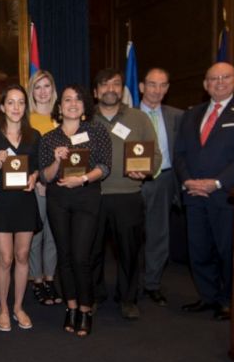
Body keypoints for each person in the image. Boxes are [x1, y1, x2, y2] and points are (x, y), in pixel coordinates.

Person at [174, 62, 234, 321]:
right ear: (205, 85)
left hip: (226, 195)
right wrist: (188, 180)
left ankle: (228, 299)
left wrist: (217, 182)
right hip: (193, 194)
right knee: (199, 250)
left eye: (225, 77)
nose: (219, 82)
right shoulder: (191, 114)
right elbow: (179, 153)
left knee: (227, 250)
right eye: (213, 79)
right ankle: (207, 296)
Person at [40, 85, 112, 337]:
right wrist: (57, 161)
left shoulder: (96, 131)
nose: (72, 104)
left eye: (77, 100)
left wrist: (81, 179)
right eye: (67, 100)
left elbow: (104, 167)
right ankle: (70, 307)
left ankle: (85, 309)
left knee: (82, 257)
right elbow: (45, 176)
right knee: (65, 255)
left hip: (86, 199)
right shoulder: (49, 138)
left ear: (84, 106)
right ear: (59, 107)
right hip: (58, 200)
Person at [91, 68, 162, 320]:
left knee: (130, 250)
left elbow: (155, 155)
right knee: (93, 250)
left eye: (116, 84)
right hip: (93, 196)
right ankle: (95, 295)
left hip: (129, 194)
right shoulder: (86, 119)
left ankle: (128, 298)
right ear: (96, 91)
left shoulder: (139, 118)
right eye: (104, 84)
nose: (110, 89)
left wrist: (146, 171)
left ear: (122, 89)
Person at [0, 84, 41, 332]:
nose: (16, 107)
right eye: (11, 102)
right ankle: (3, 308)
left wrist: (35, 177)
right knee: (5, 258)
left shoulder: (34, 136)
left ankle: (18, 306)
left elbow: (38, 167)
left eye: (20, 102)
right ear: (3, 107)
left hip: (25, 202)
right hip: (1, 204)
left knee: (22, 256)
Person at [138, 68, 184, 306]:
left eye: (162, 85)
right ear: (141, 87)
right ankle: (130, 284)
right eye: (152, 84)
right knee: (130, 236)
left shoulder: (179, 117)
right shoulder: (129, 116)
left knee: (158, 234)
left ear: (167, 89)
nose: (156, 90)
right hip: (133, 182)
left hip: (164, 180)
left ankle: (152, 284)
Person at [27, 70, 62, 306]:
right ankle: (36, 279)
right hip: (37, 186)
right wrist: (39, 180)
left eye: (46, 86)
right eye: (37, 87)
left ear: (53, 89)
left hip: (62, 186)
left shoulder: (62, 117)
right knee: (36, 235)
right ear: (31, 91)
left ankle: (50, 278)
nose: (42, 92)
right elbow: (26, 155)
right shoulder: (26, 119)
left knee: (54, 236)